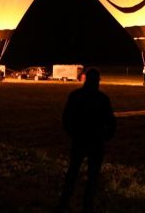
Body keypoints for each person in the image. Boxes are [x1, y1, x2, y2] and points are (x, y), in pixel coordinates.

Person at [56, 67, 116, 213]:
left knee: (72, 172)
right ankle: (88, 205)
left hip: (79, 140)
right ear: (98, 81)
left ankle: (64, 202)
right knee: (92, 176)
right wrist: (106, 137)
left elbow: (66, 119)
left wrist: (73, 133)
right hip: (96, 142)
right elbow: (111, 122)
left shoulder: (75, 96)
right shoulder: (103, 99)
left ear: (85, 79)